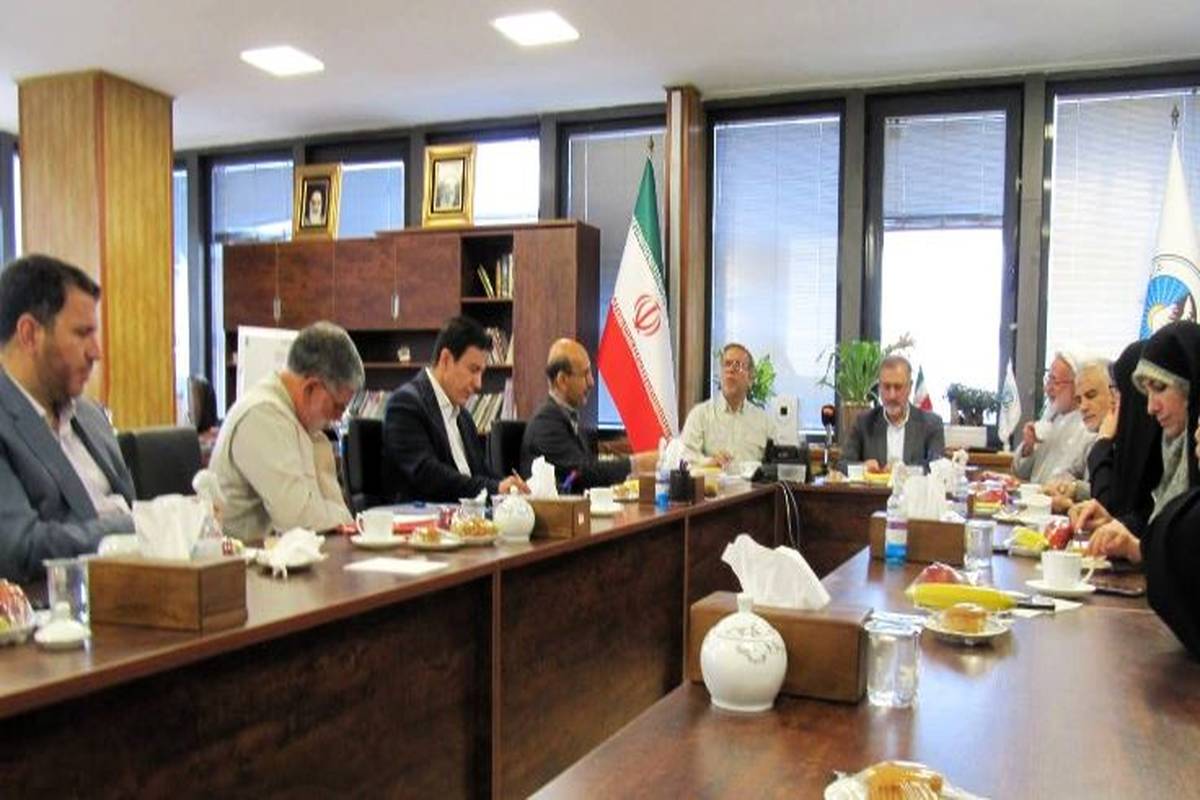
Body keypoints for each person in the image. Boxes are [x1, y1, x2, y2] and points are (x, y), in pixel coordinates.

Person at [0, 254, 134, 583]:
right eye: (81, 333)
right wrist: (129, 528)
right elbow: (19, 549)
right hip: (55, 604)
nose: (96, 352)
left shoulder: (90, 416)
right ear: (29, 334)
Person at [210, 321, 362, 541]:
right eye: (337, 406)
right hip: (245, 557)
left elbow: (340, 518)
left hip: (285, 555)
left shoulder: (303, 423)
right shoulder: (262, 415)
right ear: (310, 388)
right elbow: (298, 519)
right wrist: (342, 519)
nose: (338, 417)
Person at [1089, 412, 1200, 658]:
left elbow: (1180, 540)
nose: (1149, 408)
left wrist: (1100, 446)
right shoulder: (1170, 450)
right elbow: (1153, 518)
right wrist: (1125, 532)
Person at [384, 316, 526, 502]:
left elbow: (481, 473)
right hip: (425, 516)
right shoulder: (405, 405)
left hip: (468, 516)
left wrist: (511, 487)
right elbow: (428, 474)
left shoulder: (463, 417)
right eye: (473, 370)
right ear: (446, 360)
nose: (478, 384)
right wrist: (496, 488)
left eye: (481, 373)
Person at [1080, 322, 1200, 541]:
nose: (1150, 408)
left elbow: (1182, 546)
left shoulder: (1184, 445)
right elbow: (1155, 524)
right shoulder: (1174, 445)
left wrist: (1101, 446)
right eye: (1146, 392)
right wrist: (1117, 524)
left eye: (1160, 387)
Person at [520, 338, 658, 489]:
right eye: (585, 374)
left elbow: (589, 464)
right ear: (562, 380)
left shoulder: (568, 417)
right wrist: (638, 464)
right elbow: (583, 473)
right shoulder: (545, 424)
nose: (591, 382)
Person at [838, 354, 945, 471]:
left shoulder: (931, 424)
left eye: (898, 387)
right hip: (873, 484)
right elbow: (842, 465)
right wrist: (862, 468)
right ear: (879, 387)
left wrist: (903, 471)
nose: (891, 396)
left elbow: (937, 467)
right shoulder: (864, 423)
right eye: (886, 387)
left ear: (909, 387)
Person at [681, 343, 772, 468]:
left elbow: (777, 463)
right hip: (712, 480)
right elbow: (685, 458)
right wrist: (709, 462)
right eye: (727, 364)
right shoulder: (700, 415)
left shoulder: (764, 422)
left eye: (737, 365)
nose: (730, 370)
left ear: (750, 379)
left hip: (753, 481)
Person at [1013, 351, 1096, 484]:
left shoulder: (1090, 427)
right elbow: (1020, 472)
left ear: (1076, 384)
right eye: (1048, 380)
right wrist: (1028, 447)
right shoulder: (1051, 418)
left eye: (1055, 382)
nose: (1048, 389)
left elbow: (1090, 488)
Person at [1043, 358, 1114, 511]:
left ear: (1115, 394)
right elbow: (1069, 471)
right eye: (1079, 400)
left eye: (1091, 395)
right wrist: (1062, 488)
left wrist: (1076, 490)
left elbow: (1109, 499)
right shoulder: (1092, 437)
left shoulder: (1127, 441)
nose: (1083, 407)